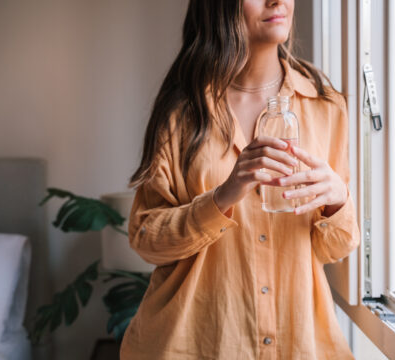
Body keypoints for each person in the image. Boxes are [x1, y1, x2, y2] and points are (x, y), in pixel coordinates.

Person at [120, 0, 360, 359]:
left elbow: (334, 248)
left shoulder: (327, 107)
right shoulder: (181, 112)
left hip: (296, 346)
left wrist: (338, 200)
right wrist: (222, 197)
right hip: (194, 345)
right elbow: (145, 239)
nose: (277, 1)